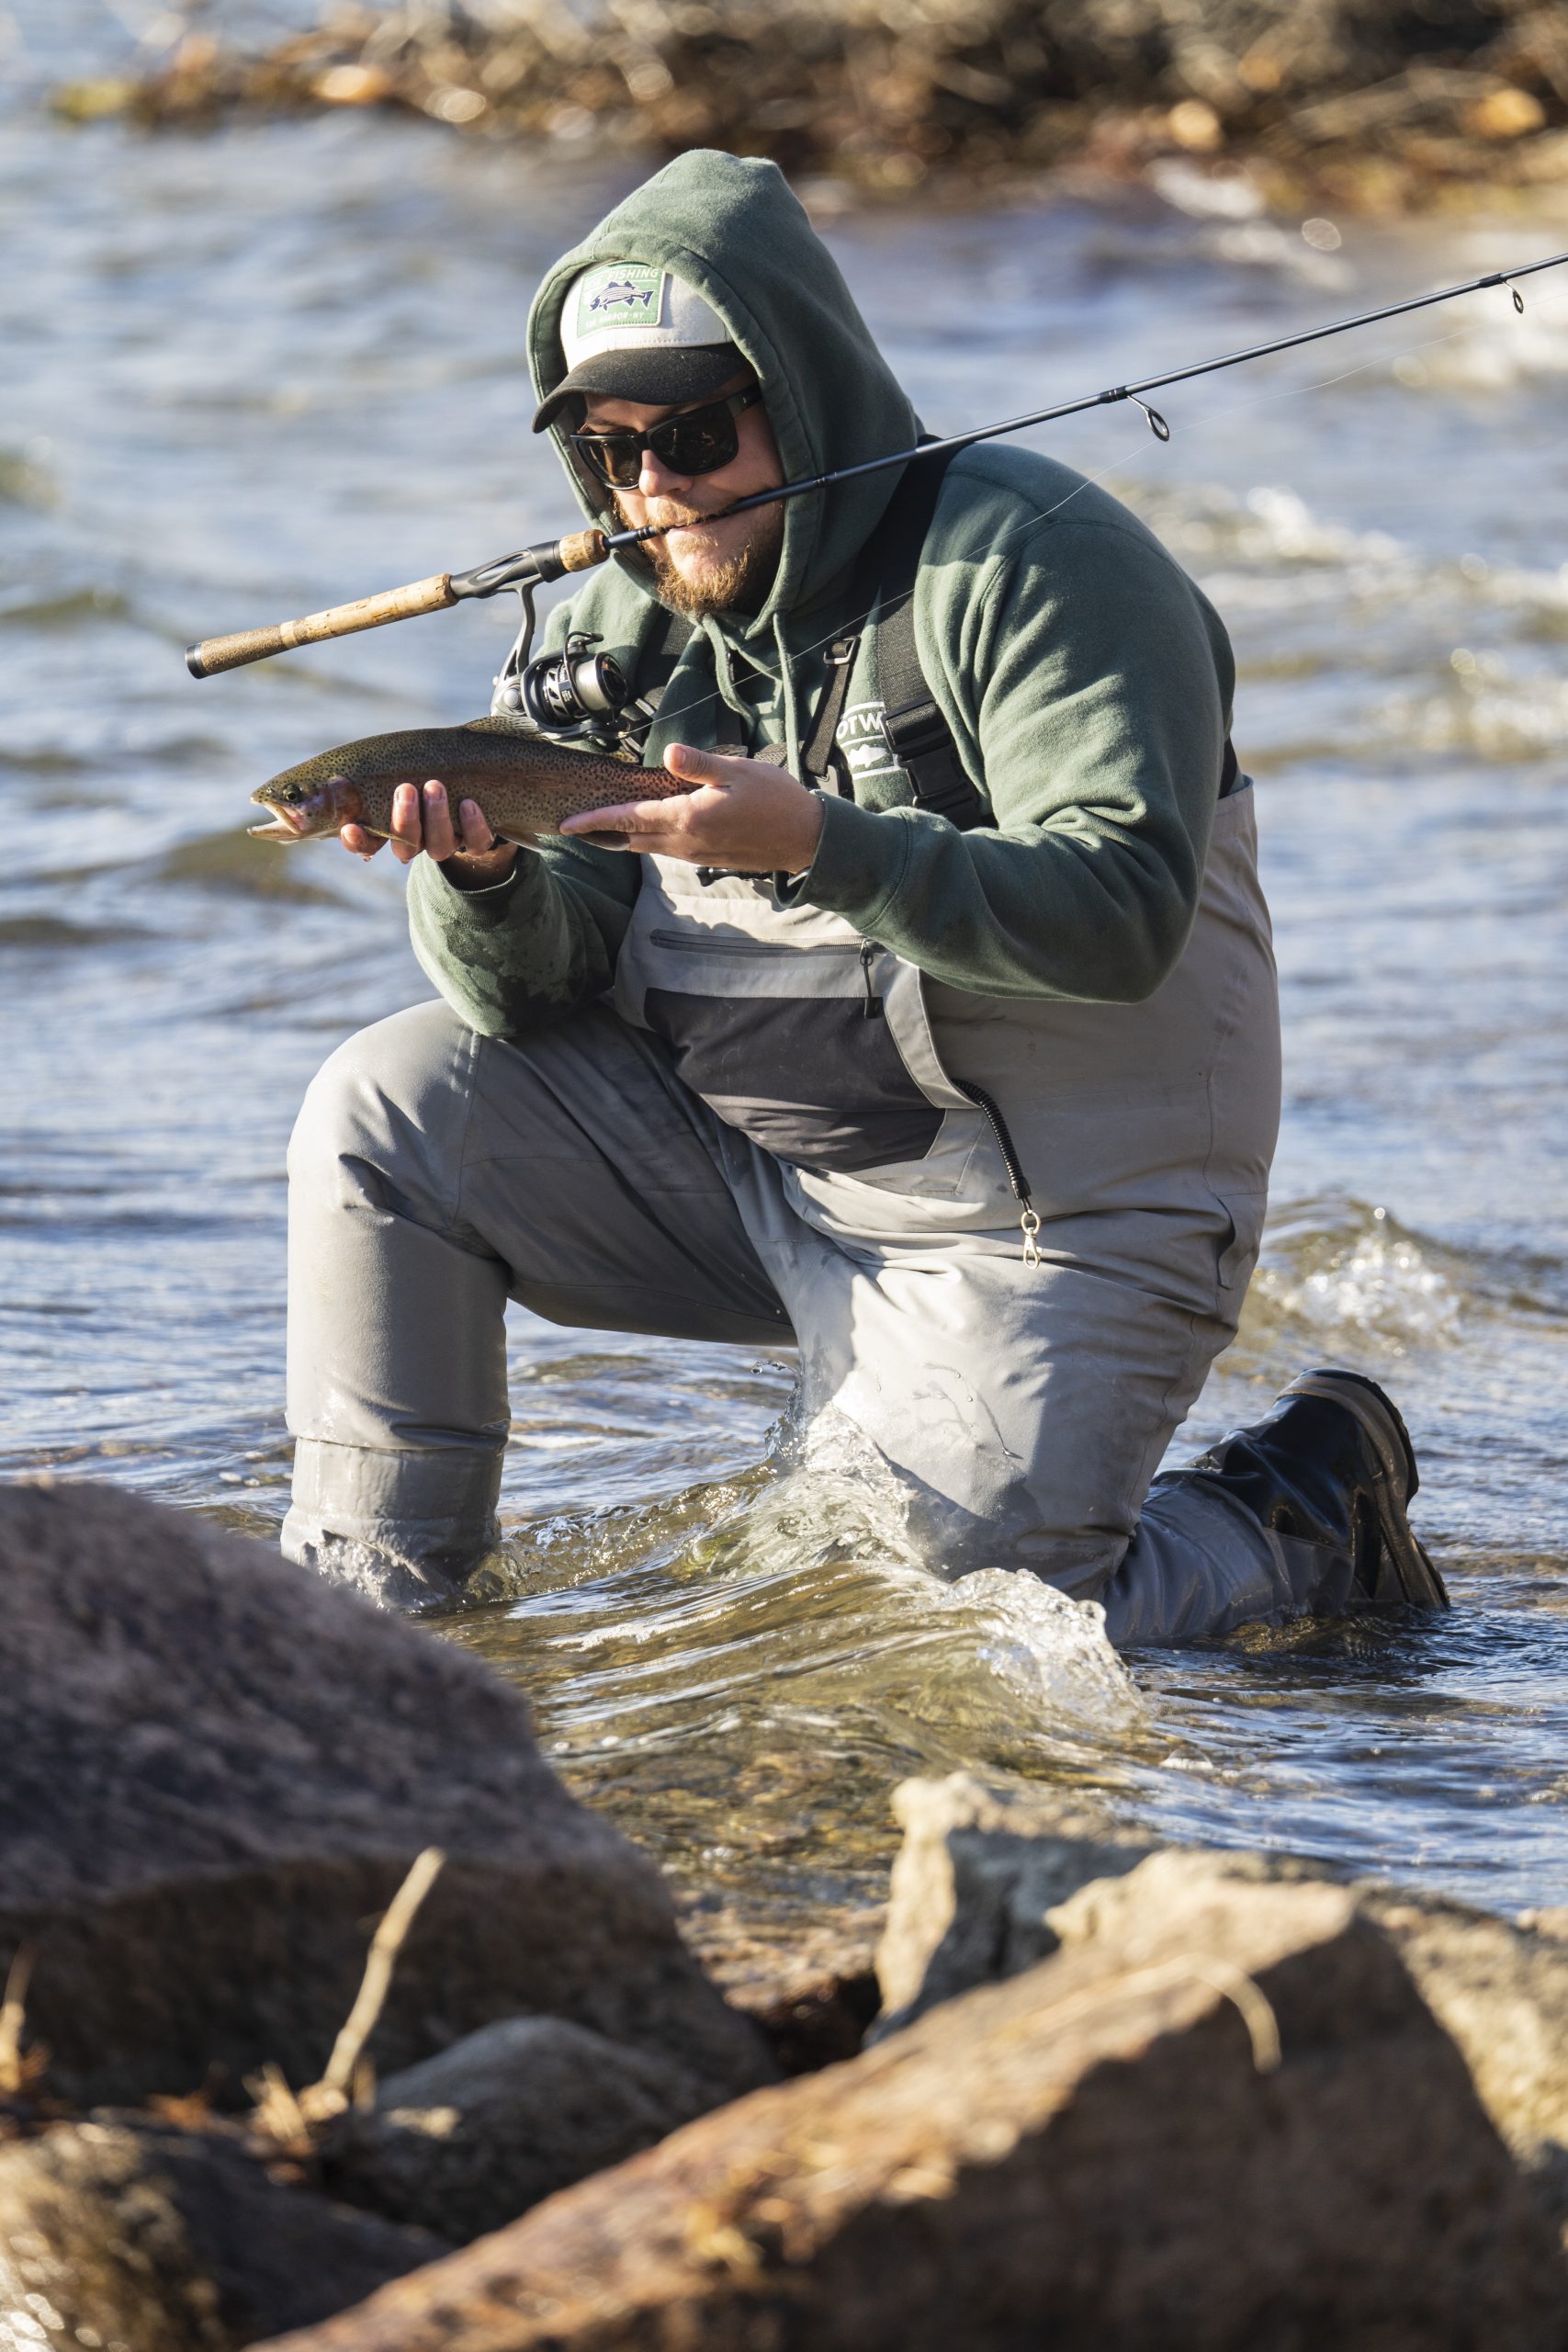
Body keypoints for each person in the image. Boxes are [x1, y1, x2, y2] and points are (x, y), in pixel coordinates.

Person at [281, 150, 1449, 1639]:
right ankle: (368, 1638)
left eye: (698, 431)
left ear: (804, 392)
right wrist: (485, 874)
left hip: (1058, 1217)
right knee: (383, 1109)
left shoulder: (1039, 565)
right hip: (765, 1174)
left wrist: (826, 844)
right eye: (610, 444)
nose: (654, 486)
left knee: (953, 1627)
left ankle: (1299, 1518)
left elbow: (1126, 914)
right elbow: (529, 995)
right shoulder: (612, 630)